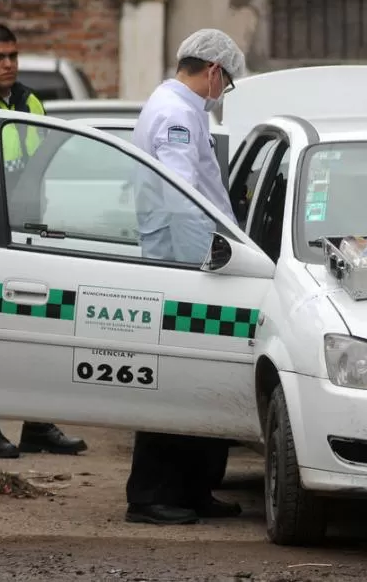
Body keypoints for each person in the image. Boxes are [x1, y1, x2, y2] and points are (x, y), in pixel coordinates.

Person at [124, 28, 245, 525]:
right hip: (183, 265)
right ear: (214, 71)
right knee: (172, 381)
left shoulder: (180, 108)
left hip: (189, 260)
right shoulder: (176, 113)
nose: (224, 92)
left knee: (200, 379)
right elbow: (183, 201)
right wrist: (210, 265)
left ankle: (195, 489)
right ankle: (150, 495)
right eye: (228, 82)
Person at [0, 22, 88, 459]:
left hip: (25, 230)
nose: (8, 64)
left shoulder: (28, 100)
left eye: (13, 55)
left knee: (34, 327)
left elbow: (42, 163)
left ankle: (37, 422)